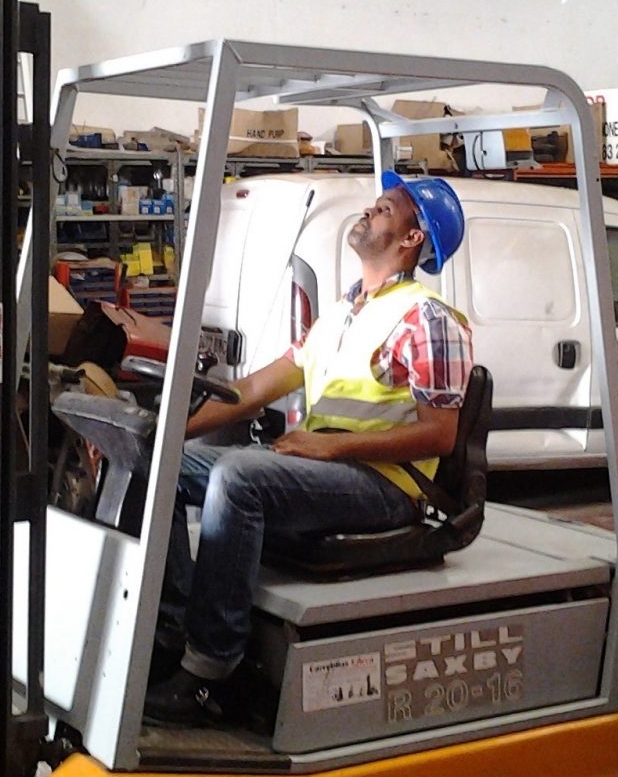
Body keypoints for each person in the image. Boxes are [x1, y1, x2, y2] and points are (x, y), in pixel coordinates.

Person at [144, 174, 473, 728]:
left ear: (413, 239)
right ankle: (170, 634)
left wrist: (328, 449)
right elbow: (248, 391)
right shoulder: (342, 316)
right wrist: (161, 434)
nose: (370, 211)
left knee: (238, 478)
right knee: (161, 467)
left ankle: (209, 671)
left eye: (386, 209)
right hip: (329, 467)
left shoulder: (428, 319)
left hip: (389, 485)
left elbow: (440, 433)